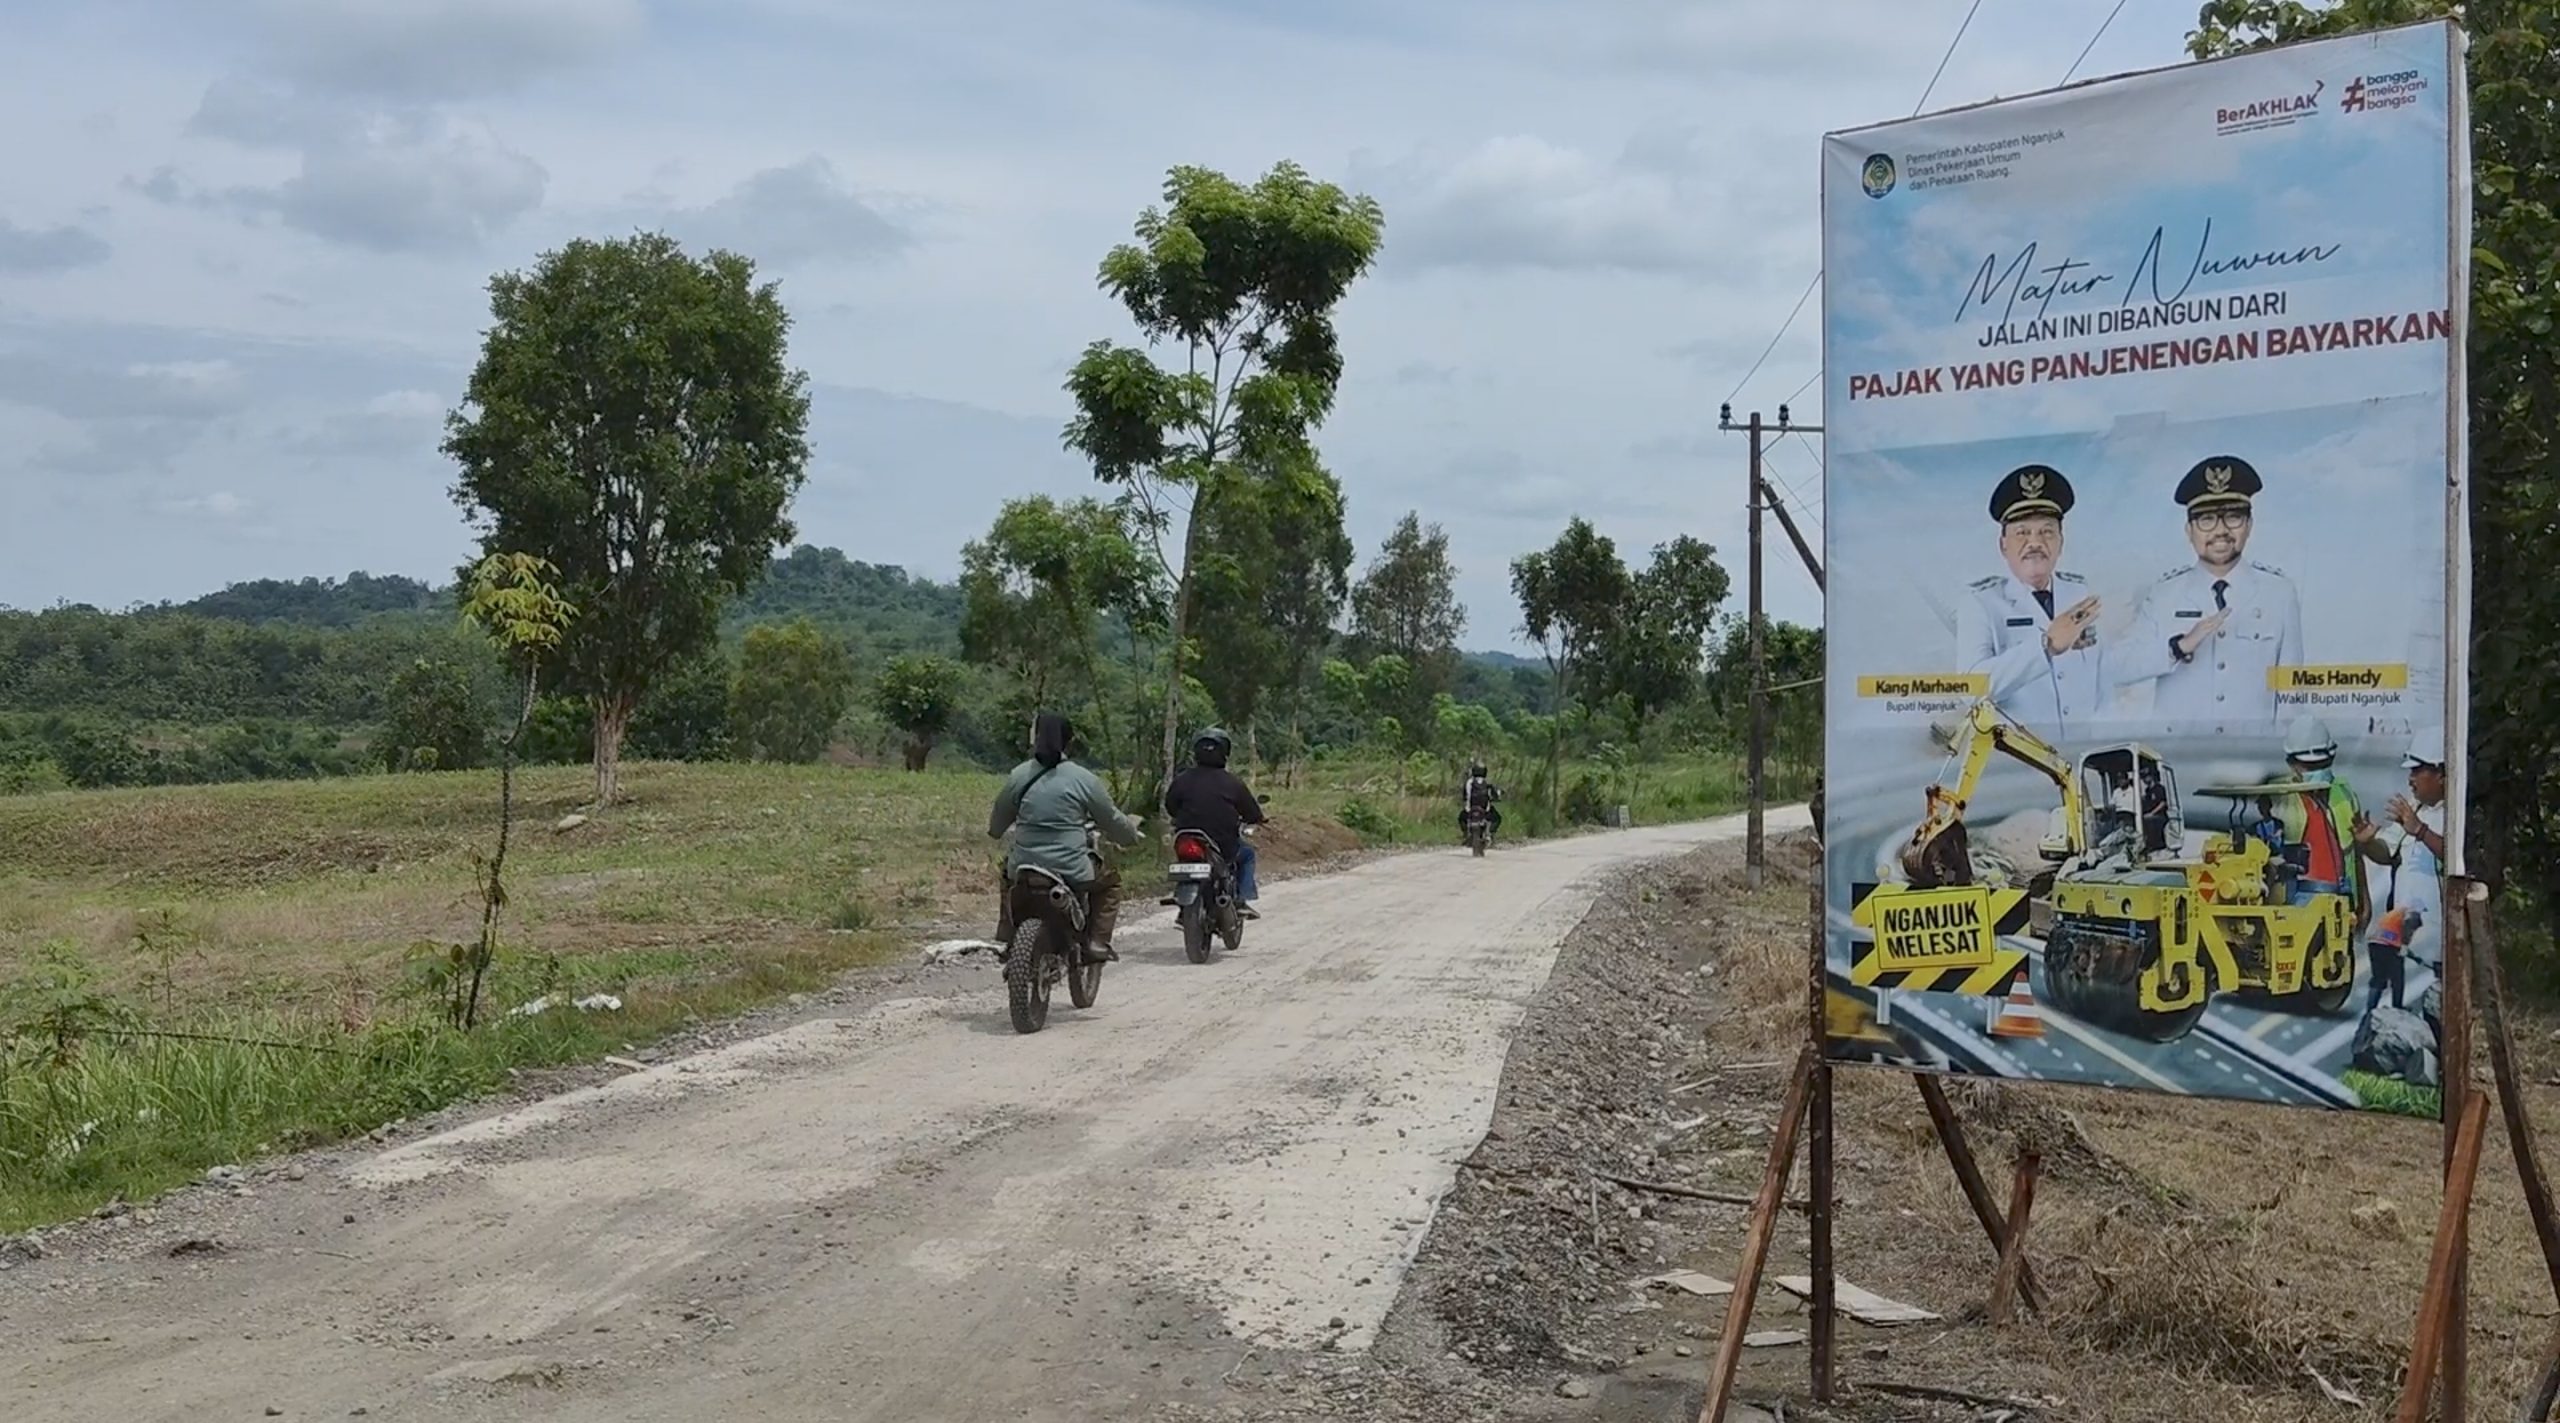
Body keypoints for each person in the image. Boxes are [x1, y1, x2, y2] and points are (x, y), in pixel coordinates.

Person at [2111, 455, 2304, 730]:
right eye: (2207, 520)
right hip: (2182, 759)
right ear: (2189, 531)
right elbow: (2118, 667)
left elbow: (2290, 695)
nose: (2221, 531)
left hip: (2252, 760)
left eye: (2233, 517)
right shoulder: (2165, 595)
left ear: (2249, 525)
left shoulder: (2279, 594)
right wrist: (2177, 648)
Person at [1954, 463, 2109, 740]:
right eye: (2022, 533)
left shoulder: (2079, 593)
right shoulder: (1981, 603)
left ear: (2061, 542)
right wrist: (2045, 645)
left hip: (2084, 756)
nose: (2035, 542)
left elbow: (2100, 681)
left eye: (2047, 532)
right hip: (2020, 765)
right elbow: (1970, 688)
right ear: (2003, 545)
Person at [988, 712, 1143, 959]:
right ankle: (1097, 942)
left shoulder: (1018, 776)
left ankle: (1008, 936)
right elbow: (1111, 820)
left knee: (1007, 876)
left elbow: (996, 825)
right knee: (1111, 883)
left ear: (1034, 739)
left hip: (1024, 866)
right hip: (1072, 869)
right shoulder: (1084, 779)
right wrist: (1130, 836)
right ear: (1069, 742)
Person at [2354, 723, 2450, 995]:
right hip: (2405, 941)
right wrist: (2368, 843)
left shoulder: (2456, 812)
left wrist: (2420, 830)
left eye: (2417, 770)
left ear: (2441, 773)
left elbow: (2457, 857)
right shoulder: (2414, 808)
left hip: (2438, 946)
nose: (2411, 778)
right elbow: (2388, 853)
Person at [2270, 714, 2369, 937]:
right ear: (2291, 764)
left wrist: (2363, 899)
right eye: (2308, 765)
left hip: (2341, 906)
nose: (2315, 770)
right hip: (2296, 907)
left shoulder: (2344, 794)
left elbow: (2354, 854)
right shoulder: (2277, 796)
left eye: (2321, 764)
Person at [1163, 727, 1265, 919]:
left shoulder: (1182, 780)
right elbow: (1251, 812)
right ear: (1225, 752)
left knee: (1184, 861)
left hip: (1187, 839)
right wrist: (1257, 818)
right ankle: (1241, 900)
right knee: (1247, 854)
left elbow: (1170, 805)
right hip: (1223, 844)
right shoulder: (1232, 783)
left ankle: (1183, 904)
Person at [1459, 760, 1502, 841]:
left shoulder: (1469, 782)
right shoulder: (1487, 782)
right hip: (1485, 810)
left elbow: (1464, 796)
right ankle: (1490, 833)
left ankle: (1465, 834)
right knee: (1497, 818)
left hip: (1470, 809)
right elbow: (1495, 795)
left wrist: (1465, 800)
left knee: (1461, 818)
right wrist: (1496, 798)